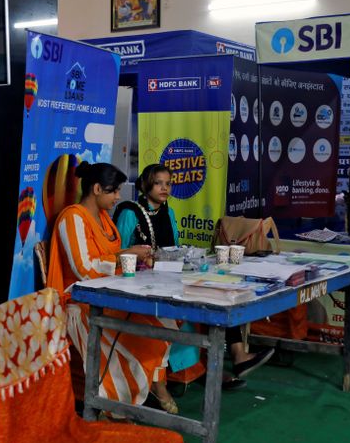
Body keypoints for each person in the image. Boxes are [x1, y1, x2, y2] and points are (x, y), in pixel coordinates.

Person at [113, 164, 274, 387]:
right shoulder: (130, 212)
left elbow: (175, 248)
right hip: (140, 284)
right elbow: (118, 252)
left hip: (167, 276)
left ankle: (237, 355)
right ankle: (206, 372)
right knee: (197, 308)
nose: (164, 188)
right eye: (159, 183)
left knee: (216, 293)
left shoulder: (167, 211)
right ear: (146, 184)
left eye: (168, 184)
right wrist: (143, 259)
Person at [47, 162, 179, 414]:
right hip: (78, 301)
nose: (118, 197)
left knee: (162, 320)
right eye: (113, 191)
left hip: (109, 295)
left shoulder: (105, 219)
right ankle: (113, 407)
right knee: (133, 331)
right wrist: (127, 254)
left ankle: (149, 386)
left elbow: (112, 259)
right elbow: (84, 269)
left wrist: (138, 259)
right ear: (97, 188)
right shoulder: (72, 218)